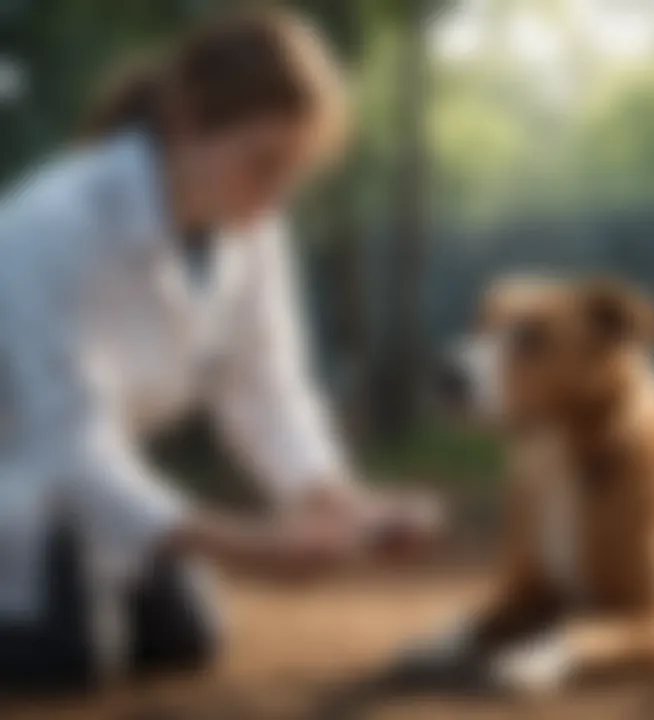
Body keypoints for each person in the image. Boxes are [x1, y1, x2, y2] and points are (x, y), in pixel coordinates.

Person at [0, 7, 438, 691]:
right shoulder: (49, 224)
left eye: (294, 173)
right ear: (186, 119)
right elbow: (66, 444)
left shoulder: (248, 224)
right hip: (23, 477)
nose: (274, 200)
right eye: (262, 164)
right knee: (67, 661)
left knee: (187, 642)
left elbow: (268, 388)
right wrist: (245, 548)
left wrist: (340, 505)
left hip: (81, 485)